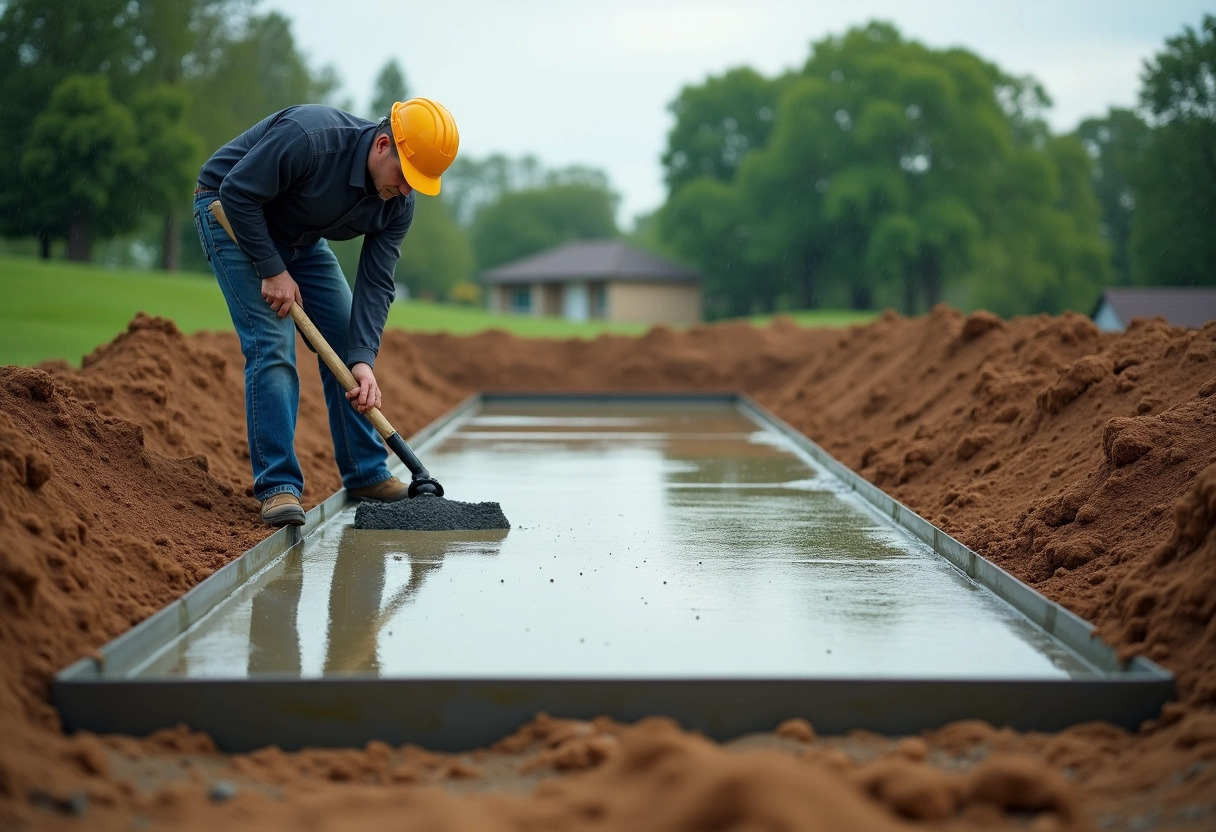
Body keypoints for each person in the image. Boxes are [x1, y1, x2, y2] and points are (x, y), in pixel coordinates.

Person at [192, 99, 459, 527]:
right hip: (230, 210)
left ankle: (366, 474)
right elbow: (237, 192)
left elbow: (376, 282)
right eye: (406, 176)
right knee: (272, 341)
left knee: (346, 337)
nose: (407, 190)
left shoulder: (397, 203)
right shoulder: (310, 138)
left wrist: (363, 359)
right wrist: (272, 269)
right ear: (383, 145)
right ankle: (278, 486)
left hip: (299, 236)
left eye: (418, 184)